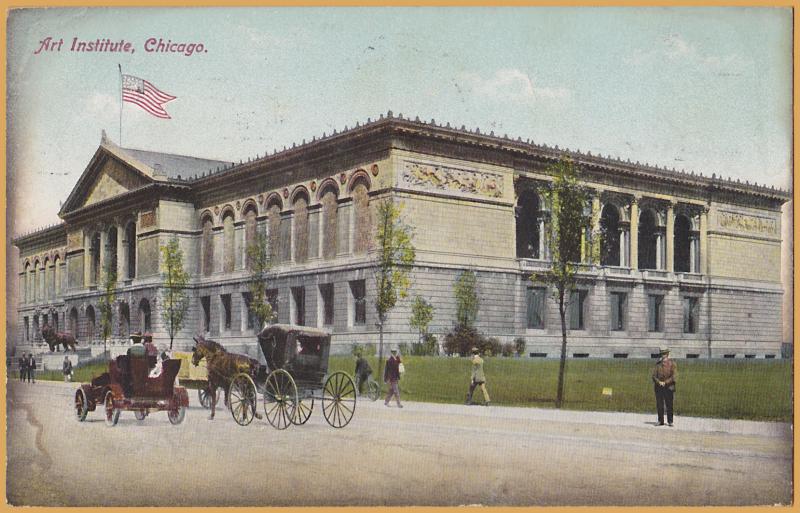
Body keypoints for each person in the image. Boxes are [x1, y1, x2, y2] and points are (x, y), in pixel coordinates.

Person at [652, 347, 677, 427]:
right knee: (660, 405)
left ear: (668, 354)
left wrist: (665, 382)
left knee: (669, 405)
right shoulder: (658, 364)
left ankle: (670, 421)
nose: (663, 356)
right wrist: (659, 382)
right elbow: (654, 376)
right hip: (659, 387)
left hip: (669, 387)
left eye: (665, 354)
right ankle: (660, 420)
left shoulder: (672, 364)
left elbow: (674, 376)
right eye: (662, 354)